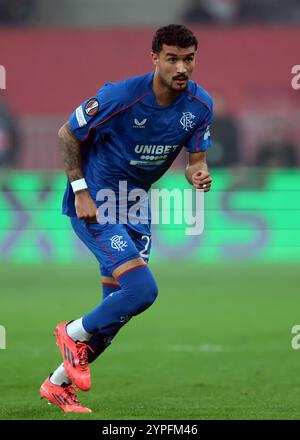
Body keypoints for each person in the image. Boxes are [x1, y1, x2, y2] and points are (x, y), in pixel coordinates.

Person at [40, 24, 213, 413]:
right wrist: (81, 189)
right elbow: (67, 134)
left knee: (115, 314)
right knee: (142, 291)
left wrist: (197, 174)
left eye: (189, 59)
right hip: (97, 203)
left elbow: (195, 162)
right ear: (155, 58)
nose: (181, 67)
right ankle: (69, 333)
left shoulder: (200, 107)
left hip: (135, 208)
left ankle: (57, 384)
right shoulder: (120, 96)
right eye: (172, 59)